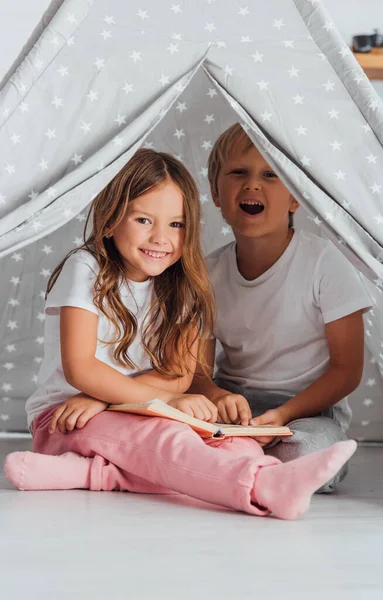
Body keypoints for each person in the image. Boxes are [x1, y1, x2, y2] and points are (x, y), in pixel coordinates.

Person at [4, 148, 357, 519]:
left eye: (176, 224)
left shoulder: (183, 285)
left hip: (137, 412)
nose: (161, 238)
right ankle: (261, 487)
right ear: (109, 221)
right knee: (168, 442)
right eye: (143, 220)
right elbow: (81, 368)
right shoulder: (87, 268)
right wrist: (149, 403)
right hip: (68, 418)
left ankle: (98, 474)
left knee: (240, 449)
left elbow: (178, 375)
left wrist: (122, 401)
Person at [188, 124, 372, 492]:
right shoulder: (204, 273)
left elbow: (347, 370)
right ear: (215, 193)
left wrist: (284, 415)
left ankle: (235, 465)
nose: (253, 185)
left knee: (310, 451)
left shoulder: (324, 263)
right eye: (239, 172)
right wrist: (219, 398)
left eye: (270, 175)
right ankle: (241, 461)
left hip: (307, 412)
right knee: (165, 433)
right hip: (234, 408)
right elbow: (195, 372)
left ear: (295, 197)